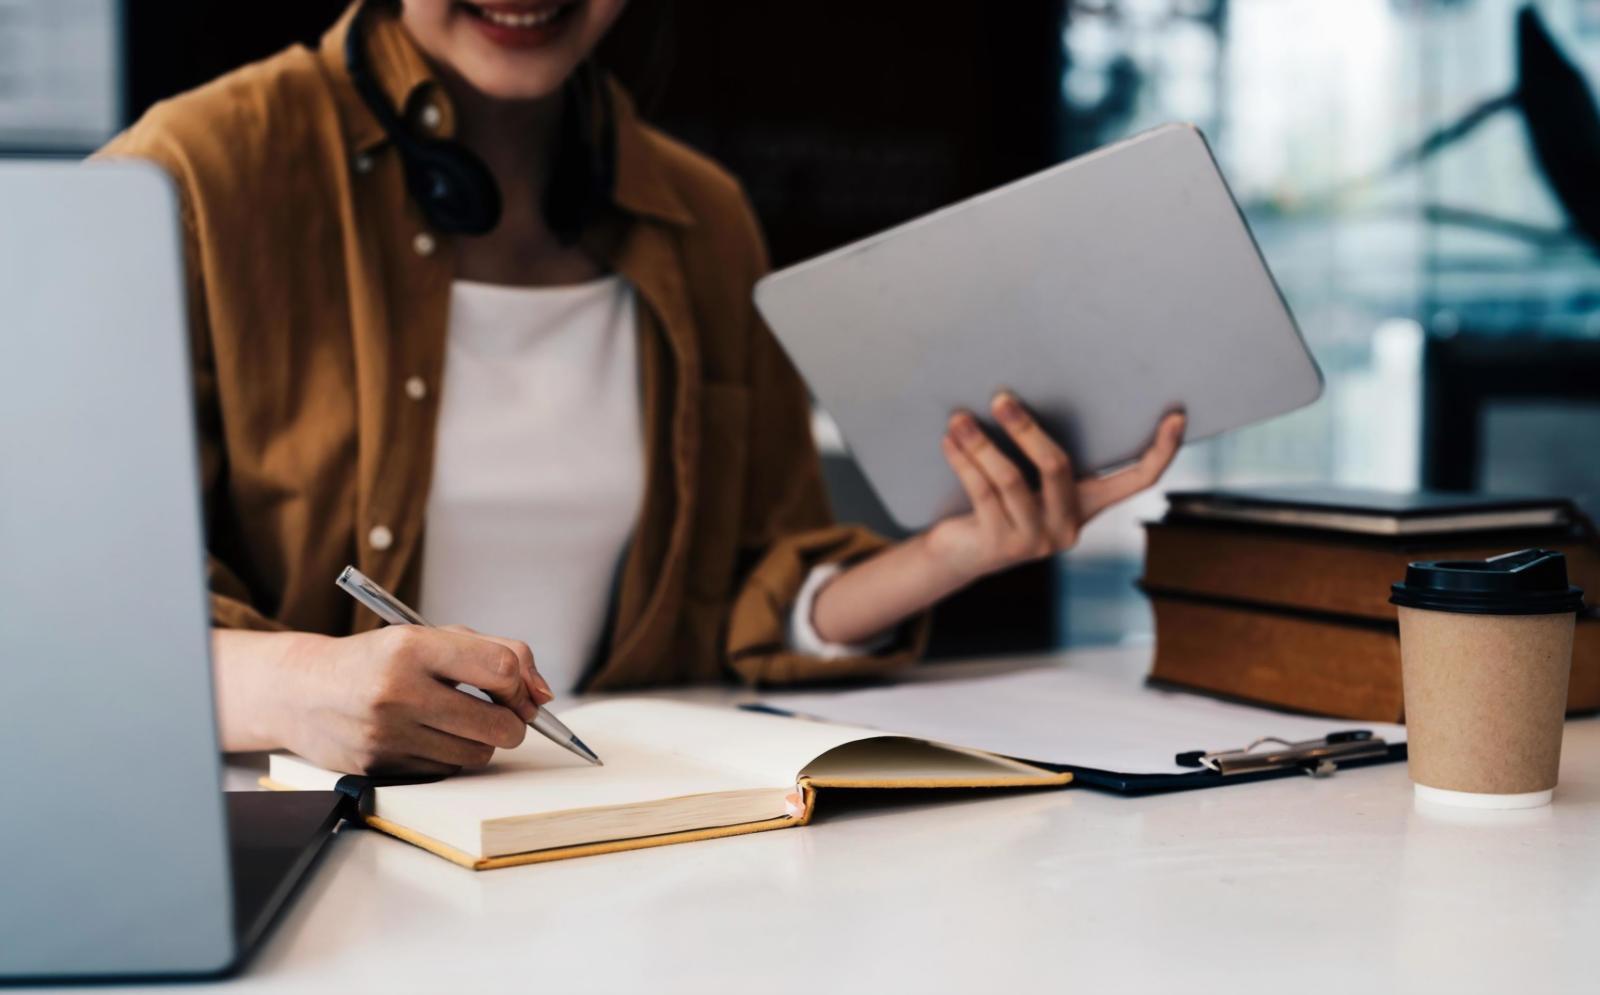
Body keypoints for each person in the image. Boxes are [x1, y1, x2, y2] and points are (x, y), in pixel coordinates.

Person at [100, 0, 1185, 775]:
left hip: (622, 845)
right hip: (314, 869)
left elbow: (751, 584)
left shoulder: (701, 215)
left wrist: (961, 549)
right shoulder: (197, 169)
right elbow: (56, 603)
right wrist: (293, 687)